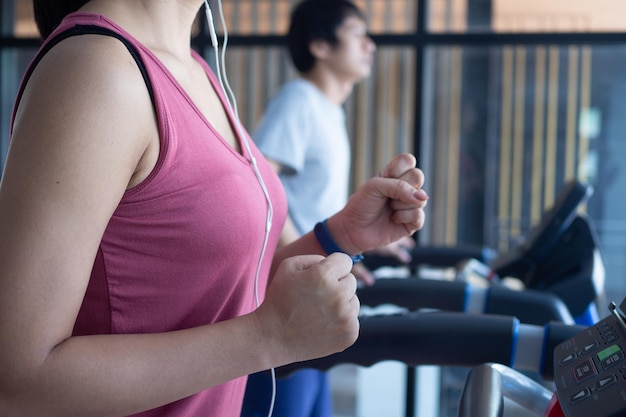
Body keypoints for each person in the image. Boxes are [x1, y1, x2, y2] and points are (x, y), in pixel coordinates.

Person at [0, 1, 428, 417]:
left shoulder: (197, 69)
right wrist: (265, 336)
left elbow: (222, 291)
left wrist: (340, 235)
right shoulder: (96, 69)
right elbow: (16, 381)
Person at [241, 2, 414, 417]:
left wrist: (353, 243)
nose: (370, 44)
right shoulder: (299, 100)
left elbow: (309, 200)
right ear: (320, 44)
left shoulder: (328, 111)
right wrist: (315, 251)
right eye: (357, 32)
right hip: (290, 296)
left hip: (316, 293)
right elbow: (260, 185)